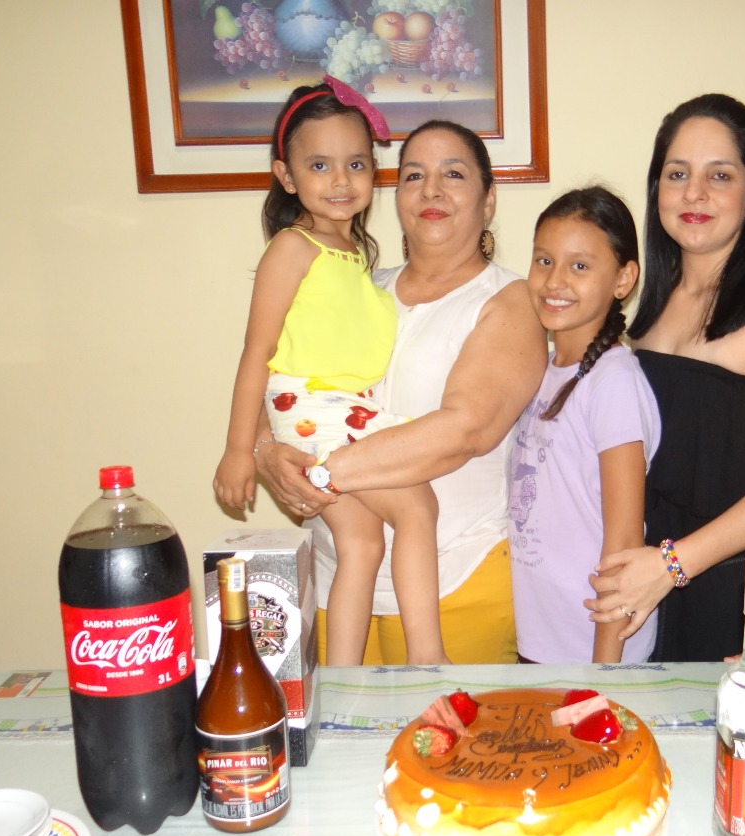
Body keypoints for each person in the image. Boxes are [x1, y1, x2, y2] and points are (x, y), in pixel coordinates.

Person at [253, 119, 548, 665]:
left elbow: (464, 431)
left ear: (488, 201)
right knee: (340, 745)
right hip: (339, 582)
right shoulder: (363, 287)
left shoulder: (508, 300)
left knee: (448, 747)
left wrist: (320, 472)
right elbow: (280, 372)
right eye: (413, 175)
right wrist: (264, 452)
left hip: (457, 586)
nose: (431, 190)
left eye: (452, 174)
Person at [585, 94, 745, 662]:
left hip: (731, 595)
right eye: (678, 174)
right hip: (645, 588)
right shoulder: (648, 307)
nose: (694, 193)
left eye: (719, 175)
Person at [212, 80, 448, 667]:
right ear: (286, 176)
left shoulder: (356, 261)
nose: (341, 181)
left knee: (361, 544)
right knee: (417, 508)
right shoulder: (293, 249)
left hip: (343, 408)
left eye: (356, 164)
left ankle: (340, 678)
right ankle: (430, 662)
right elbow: (256, 353)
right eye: (320, 165)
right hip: (315, 411)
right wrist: (240, 450)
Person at [509, 187, 661, 663]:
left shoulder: (612, 381)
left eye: (580, 266)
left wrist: (604, 675)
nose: (555, 281)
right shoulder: (541, 367)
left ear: (623, 278)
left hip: (597, 649)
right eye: (544, 261)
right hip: (543, 641)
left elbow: (622, 543)